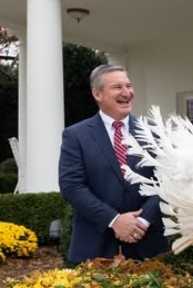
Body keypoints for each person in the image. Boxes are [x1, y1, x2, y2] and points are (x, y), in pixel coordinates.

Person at [59, 64, 166, 264]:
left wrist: (141, 222)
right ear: (97, 94)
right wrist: (115, 220)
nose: (127, 93)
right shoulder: (76, 136)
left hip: (147, 245)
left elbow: (167, 180)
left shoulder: (153, 132)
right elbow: (72, 186)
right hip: (94, 247)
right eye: (118, 87)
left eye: (129, 86)